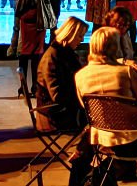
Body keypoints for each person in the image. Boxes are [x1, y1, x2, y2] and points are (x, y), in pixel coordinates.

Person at [74, 27, 137, 186]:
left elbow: (86, 106)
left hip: (102, 137)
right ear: (114, 47)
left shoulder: (80, 76)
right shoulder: (125, 72)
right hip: (132, 137)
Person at [35, 18, 91, 186]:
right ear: (71, 34)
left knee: (96, 121)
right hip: (56, 114)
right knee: (98, 122)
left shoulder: (62, 52)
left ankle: (84, 158)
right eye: (80, 36)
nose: (81, 40)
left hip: (61, 108)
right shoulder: (53, 57)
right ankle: (83, 161)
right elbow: (58, 95)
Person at [15, 0, 54, 94]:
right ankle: (36, 85)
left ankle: (22, 85)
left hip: (24, 12)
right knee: (37, 50)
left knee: (25, 49)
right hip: (37, 13)